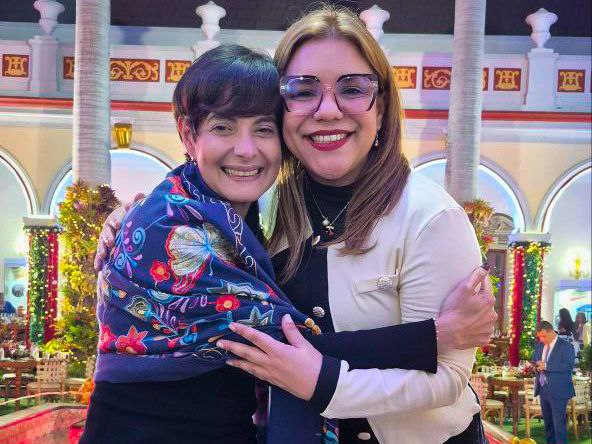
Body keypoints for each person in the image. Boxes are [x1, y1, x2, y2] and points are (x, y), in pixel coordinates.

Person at [89, 43, 495, 444]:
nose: (246, 150)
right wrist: (436, 336)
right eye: (223, 127)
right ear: (188, 133)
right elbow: (286, 346)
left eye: (263, 129)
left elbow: (443, 380)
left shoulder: (244, 212)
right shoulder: (172, 226)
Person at [215, 6, 493, 443]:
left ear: (380, 108)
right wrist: (130, 217)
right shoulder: (265, 205)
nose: (327, 110)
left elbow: (447, 380)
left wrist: (322, 384)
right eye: (303, 90)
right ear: (280, 110)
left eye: (352, 88)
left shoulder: (432, 219)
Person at [533, 321, 576, 444]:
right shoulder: (540, 346)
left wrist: (546, 366)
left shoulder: (566, 346)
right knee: (548, 424)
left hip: (559, 391)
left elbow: (568, 366)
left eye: (544, 336)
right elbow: (535, 361)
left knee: (558, 425)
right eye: (539, 337)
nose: (541, 339)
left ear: (552, 332)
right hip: (543, 389)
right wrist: (535, 367)